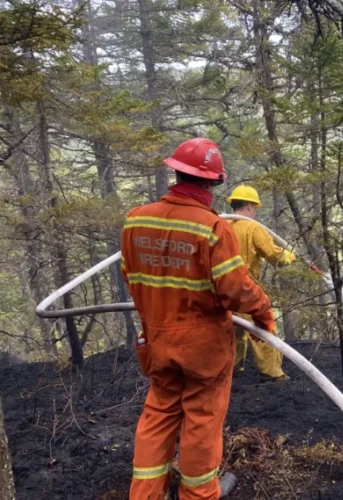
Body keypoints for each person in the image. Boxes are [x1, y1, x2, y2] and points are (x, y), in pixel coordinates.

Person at [121, 138, 275, 500]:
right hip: (203, 349)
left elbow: (131, 276)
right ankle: (199, 494)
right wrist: (264, 312)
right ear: (213, 182)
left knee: (158, 416)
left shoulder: (136, 219)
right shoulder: (212, 227)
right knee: (202, 421)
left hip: (157, 344)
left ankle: (144, 495)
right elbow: (235, 290)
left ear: (176, 172)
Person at [226, 185, 296, 382]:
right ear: (249, 206)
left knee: (233, 330)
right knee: (263, 328)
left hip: (222, 289)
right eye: (254, 207)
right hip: (246, 289)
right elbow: (276, 257)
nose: (254, 211)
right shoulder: (252, 228)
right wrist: (290, 256)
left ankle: (232, 367)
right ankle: (271, 372)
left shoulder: (221, 226)